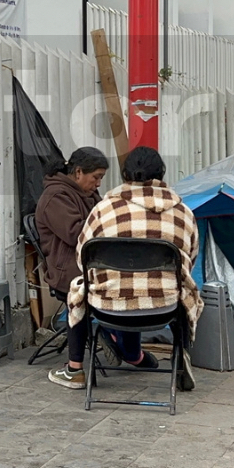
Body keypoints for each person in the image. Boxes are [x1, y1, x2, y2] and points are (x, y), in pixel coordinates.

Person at [60, 146, 203, 391]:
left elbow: (82, 256)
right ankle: (180, 364)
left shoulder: (103, 210)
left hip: (108, 306)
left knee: (78, 290)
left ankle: (75, 371)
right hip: (164, 306)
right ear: (161, 175)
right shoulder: (183, 212)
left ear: (125, 176)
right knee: (183, 289)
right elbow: (191, 257)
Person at [37, 148, 154, 389]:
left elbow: (103, 219)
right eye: (96, 177)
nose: (99, 183)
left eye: (102, 178)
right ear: (78, 172)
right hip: (69, 271)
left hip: (93, 264)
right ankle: (77, 367)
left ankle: (130, 351)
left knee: (130, 281)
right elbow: (77, 234)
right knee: (89, 290)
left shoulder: (86, 193)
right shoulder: (55, 197)